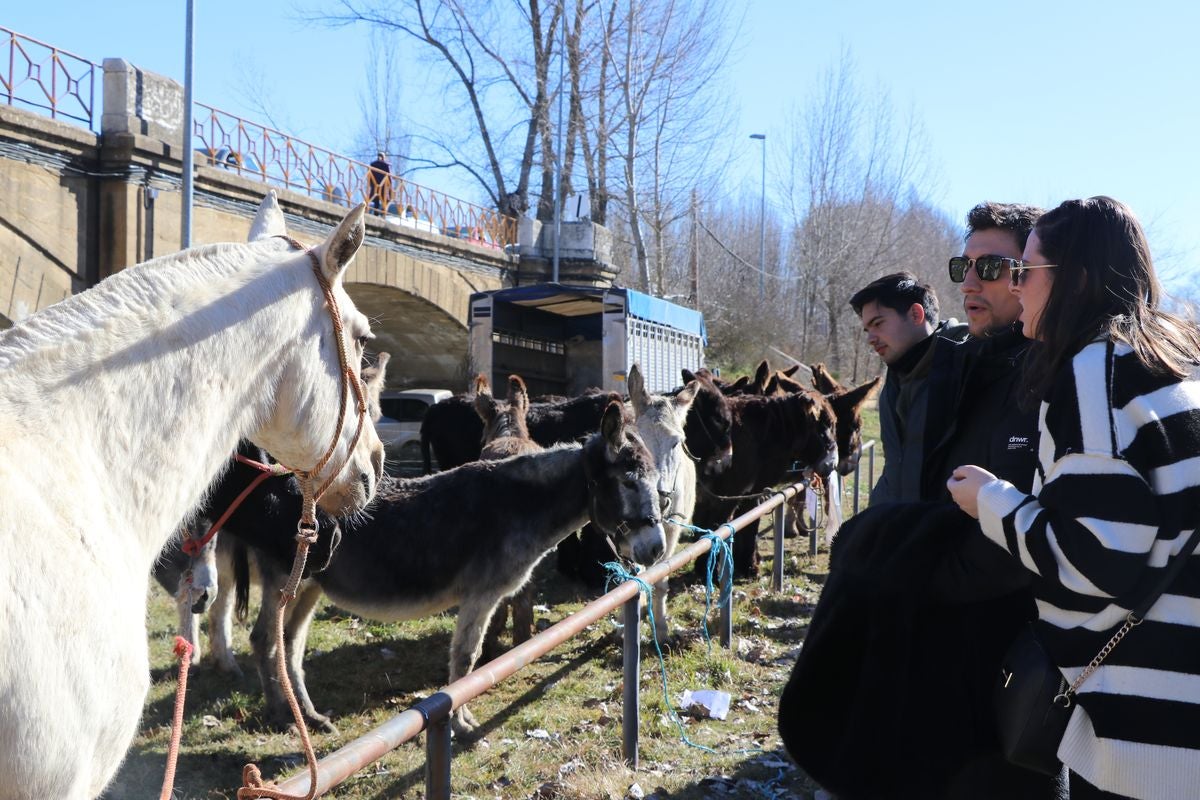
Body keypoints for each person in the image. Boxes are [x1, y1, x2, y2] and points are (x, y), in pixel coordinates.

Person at [949, 196, 1200, 799]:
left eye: (1025, 271)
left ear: (1076, 280)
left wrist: (992, 501)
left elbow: (1097, 559)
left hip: (1142, 737)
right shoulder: (1171, 362)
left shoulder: (1096, 373)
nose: (1016, 286)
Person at [919, 202, 1044, 501]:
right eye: (963, 267)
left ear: (1031, 273)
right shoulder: (953, 369)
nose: (968, 285)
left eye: (990, 268)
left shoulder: (1058, 379)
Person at [850, 272, 966, 503]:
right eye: (867, 329)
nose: (870, 338)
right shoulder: (893, 385)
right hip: (899, 529)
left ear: (916, 314)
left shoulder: (970, 368)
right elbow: (896, 470)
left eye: (878, 323)